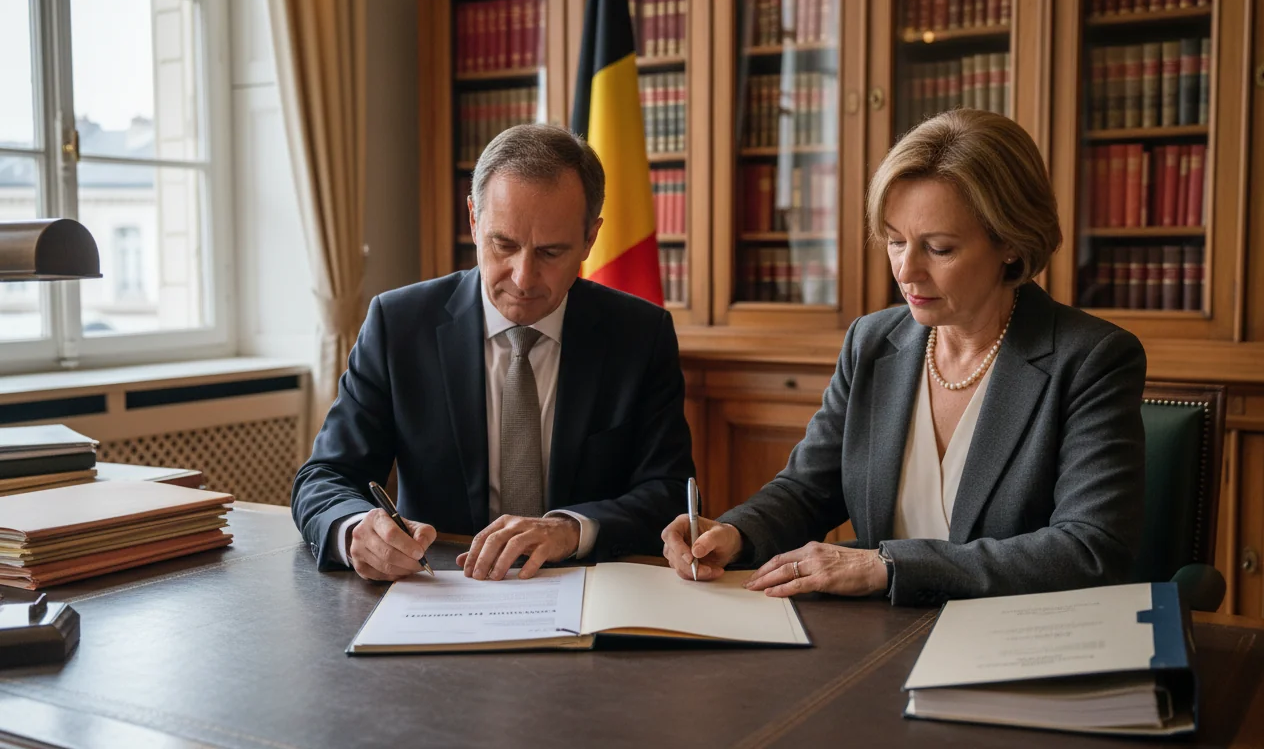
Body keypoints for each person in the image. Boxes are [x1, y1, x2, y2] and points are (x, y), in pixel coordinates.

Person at [662, 109, 1147, 605]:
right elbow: (808, 489)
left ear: (1011, 242)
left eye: (938, 248)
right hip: (879, 637)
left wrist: (888, 565)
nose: (906, 271)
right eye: (895, 241)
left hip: (1014, 644)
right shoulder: (871, 341)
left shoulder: (1091, 359)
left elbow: (1090, 548)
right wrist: (733, 533)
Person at [293, 123, 694, 582]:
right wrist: (354, 531)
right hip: (439, 589)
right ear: (473, 221)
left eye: (550, 252)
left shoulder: (640, 334)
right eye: (504, 244)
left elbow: (668, 492)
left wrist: (570, 530)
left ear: (589, 239)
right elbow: (324, 477)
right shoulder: (400, 325)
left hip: (587, 586)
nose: (523, 278)